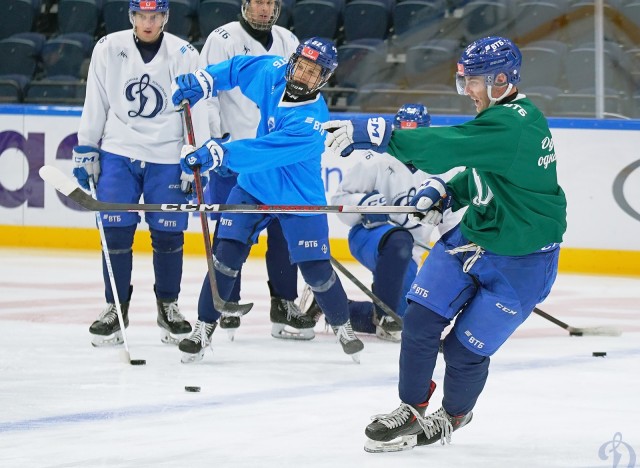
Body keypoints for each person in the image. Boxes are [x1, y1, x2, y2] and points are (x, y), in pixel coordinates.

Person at [323, 36, 567, 451]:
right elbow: (480, 170)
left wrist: (375, 130)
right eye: (465, 80)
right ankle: (412, 407)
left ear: (503, 79)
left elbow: (444, 147)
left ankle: (454, 414)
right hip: (473, 238)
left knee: (463, 350)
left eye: (474, 81)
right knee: (419, 320)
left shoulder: (515, 124)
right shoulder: (501, 118)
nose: (467, 90)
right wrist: (446, 191)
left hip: (522, 265)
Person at [171, 37, 365, 363]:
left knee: (316, 270)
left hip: (298, 197)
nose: (303, 74)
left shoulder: (311, 122)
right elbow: (237, 69)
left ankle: (342, 325)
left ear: (324, 79)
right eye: (301, 65)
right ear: (293, 61)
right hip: (254, 188)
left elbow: (264, 153)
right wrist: (205, 82)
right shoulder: (274, 72)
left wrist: (219, 153)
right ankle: (203, 328)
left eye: (313, 71)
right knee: (225, 256)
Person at [72, 0, 208, 347]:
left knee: (168, 236)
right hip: (119, 151)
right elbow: (96, 98)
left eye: (155, 16)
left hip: (167, 154)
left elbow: (197, 107)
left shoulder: (185, 53)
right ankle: (115, 308)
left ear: (165, 17)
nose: (148, 23)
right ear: (132, 16)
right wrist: (87, 145)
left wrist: (198, 154)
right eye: (142, 16)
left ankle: (168, 307)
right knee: (115, 233)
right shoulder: (108, 47)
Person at [198, 0, 310, 340]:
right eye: (259, 2)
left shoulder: (289, 40)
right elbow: (208, 93)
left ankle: (284, 303)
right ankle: (224, 302)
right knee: (232, 232)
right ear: (246, 5)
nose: (265, 9)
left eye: (271, 3)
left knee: (282, 231)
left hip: (275, 158)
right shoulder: (222, 38)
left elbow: (302, 95)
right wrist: (218, 139)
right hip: (235, 154)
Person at [324, 103, 463, 342]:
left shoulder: (442, 169)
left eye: (415, 132)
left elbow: (451, 223)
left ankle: (332, 309)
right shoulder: (374, 160)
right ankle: (385, 315)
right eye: (403, 132)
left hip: (411, 253)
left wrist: (462, 253)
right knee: (399, 240)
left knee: (402, 320)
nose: (409, 139)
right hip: (369, 238)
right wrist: (365, 203)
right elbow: (340, 202)